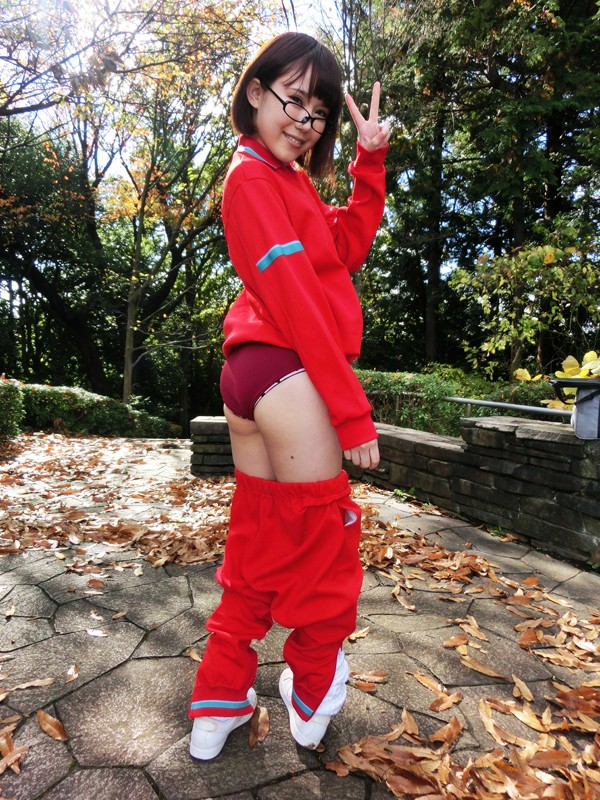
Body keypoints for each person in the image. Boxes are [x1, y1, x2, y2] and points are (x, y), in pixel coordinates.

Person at [188, 30, 390, 760]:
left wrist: (369, 161)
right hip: (282, 366)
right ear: (255, 91)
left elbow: (345, 249)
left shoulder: (285, 180)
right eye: (293, 99)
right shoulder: (250, 179)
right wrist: (351, 411)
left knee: (261, 538)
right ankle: (311, 691)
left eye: (319, 112)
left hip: (253, 372)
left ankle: (218, 700)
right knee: (325, 545)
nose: (305, 121)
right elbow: (301, 303)